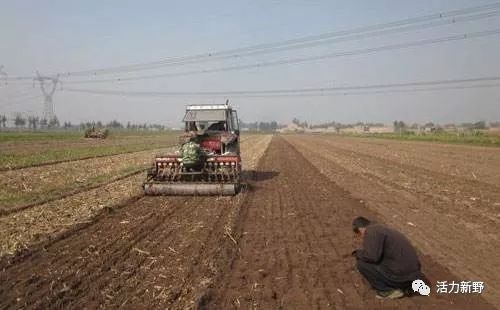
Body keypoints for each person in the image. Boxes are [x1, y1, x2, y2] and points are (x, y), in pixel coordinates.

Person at [351, 216, 424, 299]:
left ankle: (387, 291)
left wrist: (358, 253)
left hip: (403, 277)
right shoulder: (381, 228)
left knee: (362, 264)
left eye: (359, 234)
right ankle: (406, 286)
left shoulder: (371, 232)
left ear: (360, 229)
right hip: (414, 275)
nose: (362, 237)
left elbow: (371, 257)